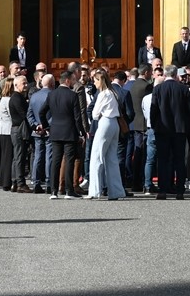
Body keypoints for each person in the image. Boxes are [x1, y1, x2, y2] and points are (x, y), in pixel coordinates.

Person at [150, 65, 190, 199]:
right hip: (179, 129)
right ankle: (180, 190)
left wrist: (154, 125)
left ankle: (162, 190)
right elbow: (189, 110)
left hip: (162, 129)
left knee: (162, 160)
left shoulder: (158, 89)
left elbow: (154, 110)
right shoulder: (183, 89)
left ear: (165, 74)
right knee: (179, 160)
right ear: (175, 75)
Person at [41, 68, 84, 199]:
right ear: (67, 80)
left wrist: (46, 126)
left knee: (56, 161)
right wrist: (81, 132)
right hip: (70, 132)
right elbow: (77, 117)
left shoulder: (51, 94)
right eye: (72, 80)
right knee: (69, 161)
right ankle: (68, 190)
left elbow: (41, 112)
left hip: (55, 131)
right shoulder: (73, 95)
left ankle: (54, 190)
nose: (73, 82)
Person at [87, 71, 127, 200]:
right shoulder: (114, 92)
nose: (94, 83)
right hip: (115, 123)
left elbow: (94, 114)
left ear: (100, 80)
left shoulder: (103, 94)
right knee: (111, 159)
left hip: (105, 122)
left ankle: (94, 191)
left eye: (95, 80)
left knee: (96, 157)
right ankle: (116, 191)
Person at [27, 73, 53, 193]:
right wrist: (46, 126)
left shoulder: (34, 96)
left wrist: (36, 126)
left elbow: (29, 114)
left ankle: (36, 182)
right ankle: (49, 183)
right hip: (49, 130)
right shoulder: (53, 95)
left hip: (37, 131)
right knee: (49, 157)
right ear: (52, 83)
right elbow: (55, 114)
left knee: (38, 156)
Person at [8, 74, 30, 192]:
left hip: (17, 129)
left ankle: (15, 182)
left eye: (26, 83)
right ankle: (20, 183)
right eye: (24, 83)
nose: (26, 85)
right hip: (18, 130)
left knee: (17, 157)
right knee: (19, 157)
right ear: (16, 85)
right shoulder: (17, 98)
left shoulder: (18, 97)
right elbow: (24, 114)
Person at [0, 77, 16, 191]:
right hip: (9, 129)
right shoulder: (8, 100)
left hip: (2, 129)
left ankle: (3, 179)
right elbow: (11, 114)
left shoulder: (2, 100)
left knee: (5, 156)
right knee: (9, 156)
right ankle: (7, 181)